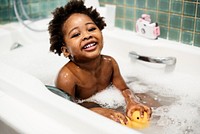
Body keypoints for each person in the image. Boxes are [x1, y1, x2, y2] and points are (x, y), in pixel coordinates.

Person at [48, 0, 151, 124]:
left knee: (147, 98)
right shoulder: (67, 77)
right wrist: (98, 111)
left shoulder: (110, 63)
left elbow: (123, 89)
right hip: (86, 112)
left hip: (108, 102)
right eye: (76, 34)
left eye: (91, 29)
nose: (87, 36)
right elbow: (66, 111)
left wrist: (132, 101)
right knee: (90, 104)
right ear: (65, 51)